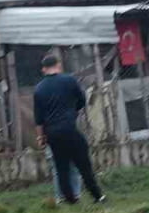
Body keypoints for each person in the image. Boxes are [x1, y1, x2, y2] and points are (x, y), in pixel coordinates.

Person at [33, 54, 105, 204]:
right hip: (69, 129)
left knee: (61, 168)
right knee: (83, 164)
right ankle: (97, 196)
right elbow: (82, 100)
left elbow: (38, 119)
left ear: (44, 69)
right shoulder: (69, 80)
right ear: (58, 66)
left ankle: (70, 199)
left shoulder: (38, 89)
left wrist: (40, 137)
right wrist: (73, 111)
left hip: (52, 133)